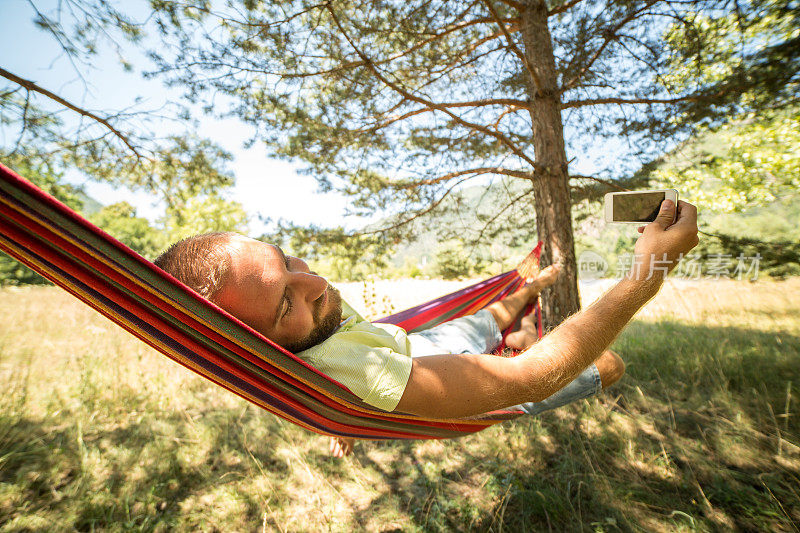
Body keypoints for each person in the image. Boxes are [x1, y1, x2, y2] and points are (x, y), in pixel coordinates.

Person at [155, 199, 699, 457]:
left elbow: (324, 332)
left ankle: (532, 291)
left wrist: (338, 420)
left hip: (409, 347)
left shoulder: (313, 337)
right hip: (413, 375)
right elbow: (533, 380)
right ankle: (519, 335)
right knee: (609, 364)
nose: (318, 281)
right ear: (254, 347)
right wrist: (648, 272)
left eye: (289, 262)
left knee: (493, 314)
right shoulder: (345, 372)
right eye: (285, 306)